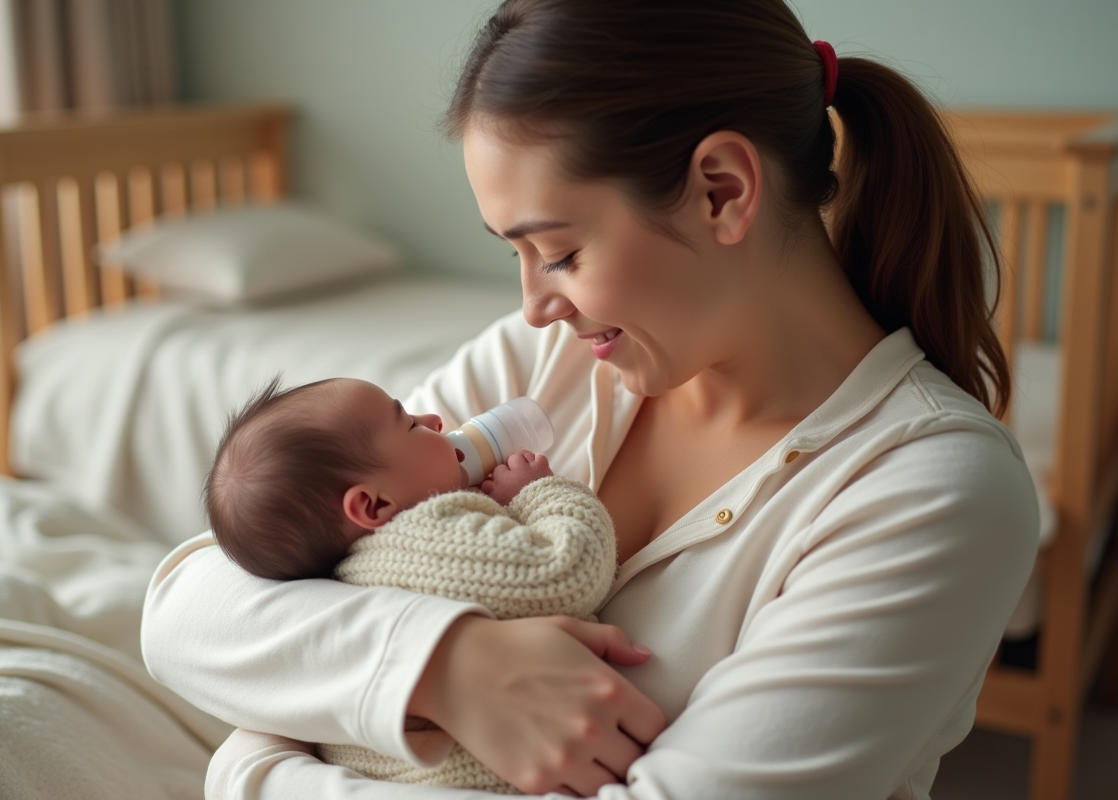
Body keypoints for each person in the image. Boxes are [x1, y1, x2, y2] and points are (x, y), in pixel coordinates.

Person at [141, 1, 1041, 798]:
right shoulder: (548, 366)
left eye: (561, 253)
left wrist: (255, 772)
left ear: (721, 191)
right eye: (515, 255)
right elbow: (190, 604)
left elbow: (261, 679)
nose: (535, 303)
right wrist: (450, 665)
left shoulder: (928, 490)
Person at [203, 375, 616, 792]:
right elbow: (570, 571)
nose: (435, 419)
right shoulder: (431, 535)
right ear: (374, 505)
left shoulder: (336, 579)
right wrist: (537, 493)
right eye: (411, 425)